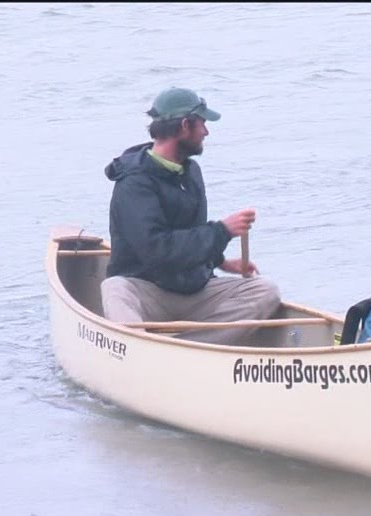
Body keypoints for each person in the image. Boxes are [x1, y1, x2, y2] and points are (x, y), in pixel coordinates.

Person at [100, 87, 281, 346]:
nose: (206, 132)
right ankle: (143, 350)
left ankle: (195, 348)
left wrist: (220, 261)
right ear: (185, 126)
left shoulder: (191, 171)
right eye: (202, 124)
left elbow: (187, 233)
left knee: (265, 291)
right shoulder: (134, 183)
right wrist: (222, 231)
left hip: (194, 290)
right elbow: (157, 250)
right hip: (146, 290)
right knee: (115, 289)